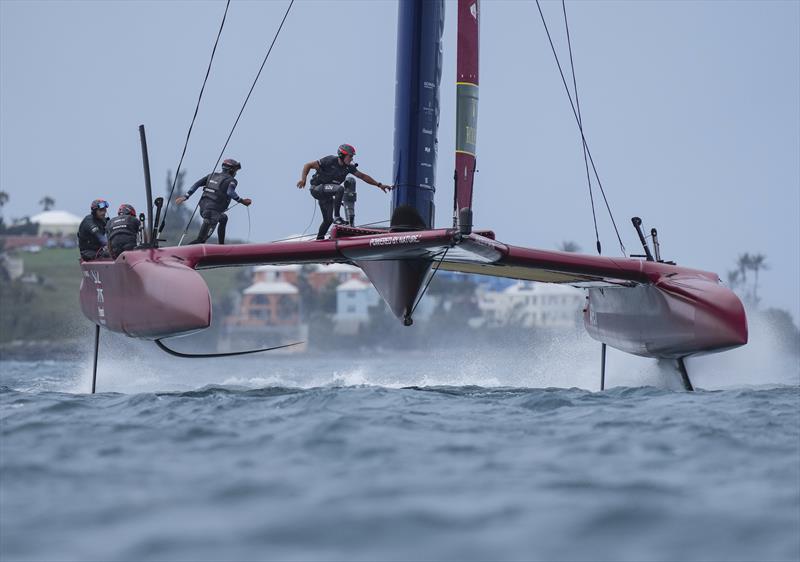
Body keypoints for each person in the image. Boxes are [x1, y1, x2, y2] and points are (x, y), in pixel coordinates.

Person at [296, 144, 391, 240]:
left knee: (328, 220)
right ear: (342, 155)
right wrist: (303, 180)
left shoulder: (349, 167)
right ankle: (337, 217)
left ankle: (319, 241)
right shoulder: (330, 160)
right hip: (317, 189)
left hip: (327, 194)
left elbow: (363, 176)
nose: (351, 159)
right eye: (350, 156)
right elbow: (308, 165)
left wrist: (379, 185)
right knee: (340, 189)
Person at [175, 158, 252, 244]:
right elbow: (230, 192)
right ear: (231, 170)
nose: (236, 173)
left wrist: (186, 196)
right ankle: (182, 252)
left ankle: (221, 246)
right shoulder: (231, 180)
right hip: (212, 214)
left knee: (223, 218)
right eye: (235, 170)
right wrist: (242, 201)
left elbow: (197, 184)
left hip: (203, 210)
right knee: (200, 240)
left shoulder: (211, 176)